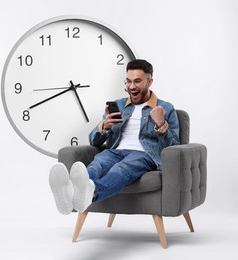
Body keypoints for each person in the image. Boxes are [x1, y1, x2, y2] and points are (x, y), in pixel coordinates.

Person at [49, 59, 180, 215]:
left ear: (149, 81)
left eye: (137, 81)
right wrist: (104, 126)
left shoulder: (165, 108)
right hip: (115, 151)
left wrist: (161, 124)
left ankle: (89, 193)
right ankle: (70, 193)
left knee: (121, 169)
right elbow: (94, 141)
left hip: (144, 154)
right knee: (98, 164)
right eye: (129, 81)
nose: (132, 86)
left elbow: (173, 147)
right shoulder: (118, 105)